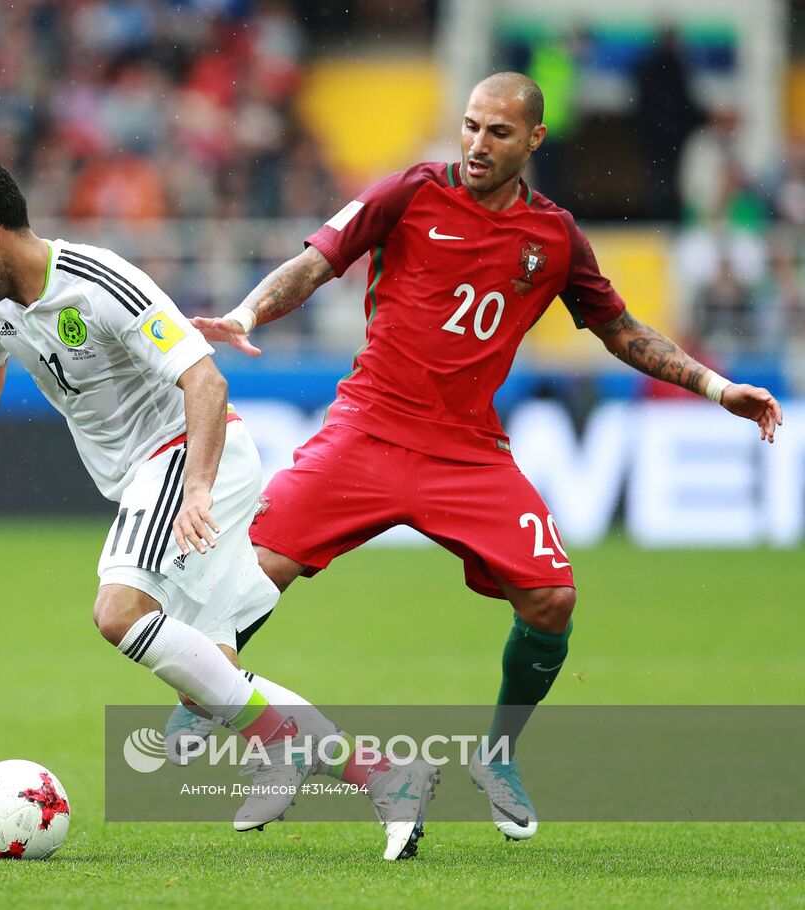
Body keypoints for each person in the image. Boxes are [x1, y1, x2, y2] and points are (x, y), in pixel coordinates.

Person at [191, 72, 783, 842]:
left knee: (554, 601)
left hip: (466, 451)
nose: (476, 144)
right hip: (366, 429)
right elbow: (316, 260)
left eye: (497, 132)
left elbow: (619, 328)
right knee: (246, 580)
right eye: (470, 126)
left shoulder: (555, 237)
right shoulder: (410, 191)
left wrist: (713, 384)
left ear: (534, 140)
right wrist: (245, 311)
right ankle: (226, 706)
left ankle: (497, 754)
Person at [0, 158, 436, 859]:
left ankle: (286, 742)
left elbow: (206, 381)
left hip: (184, 456)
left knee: (118, 612)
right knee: (216, 674)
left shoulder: (101, 285)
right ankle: (384, 773)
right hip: (154, 475)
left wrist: (194, 486)